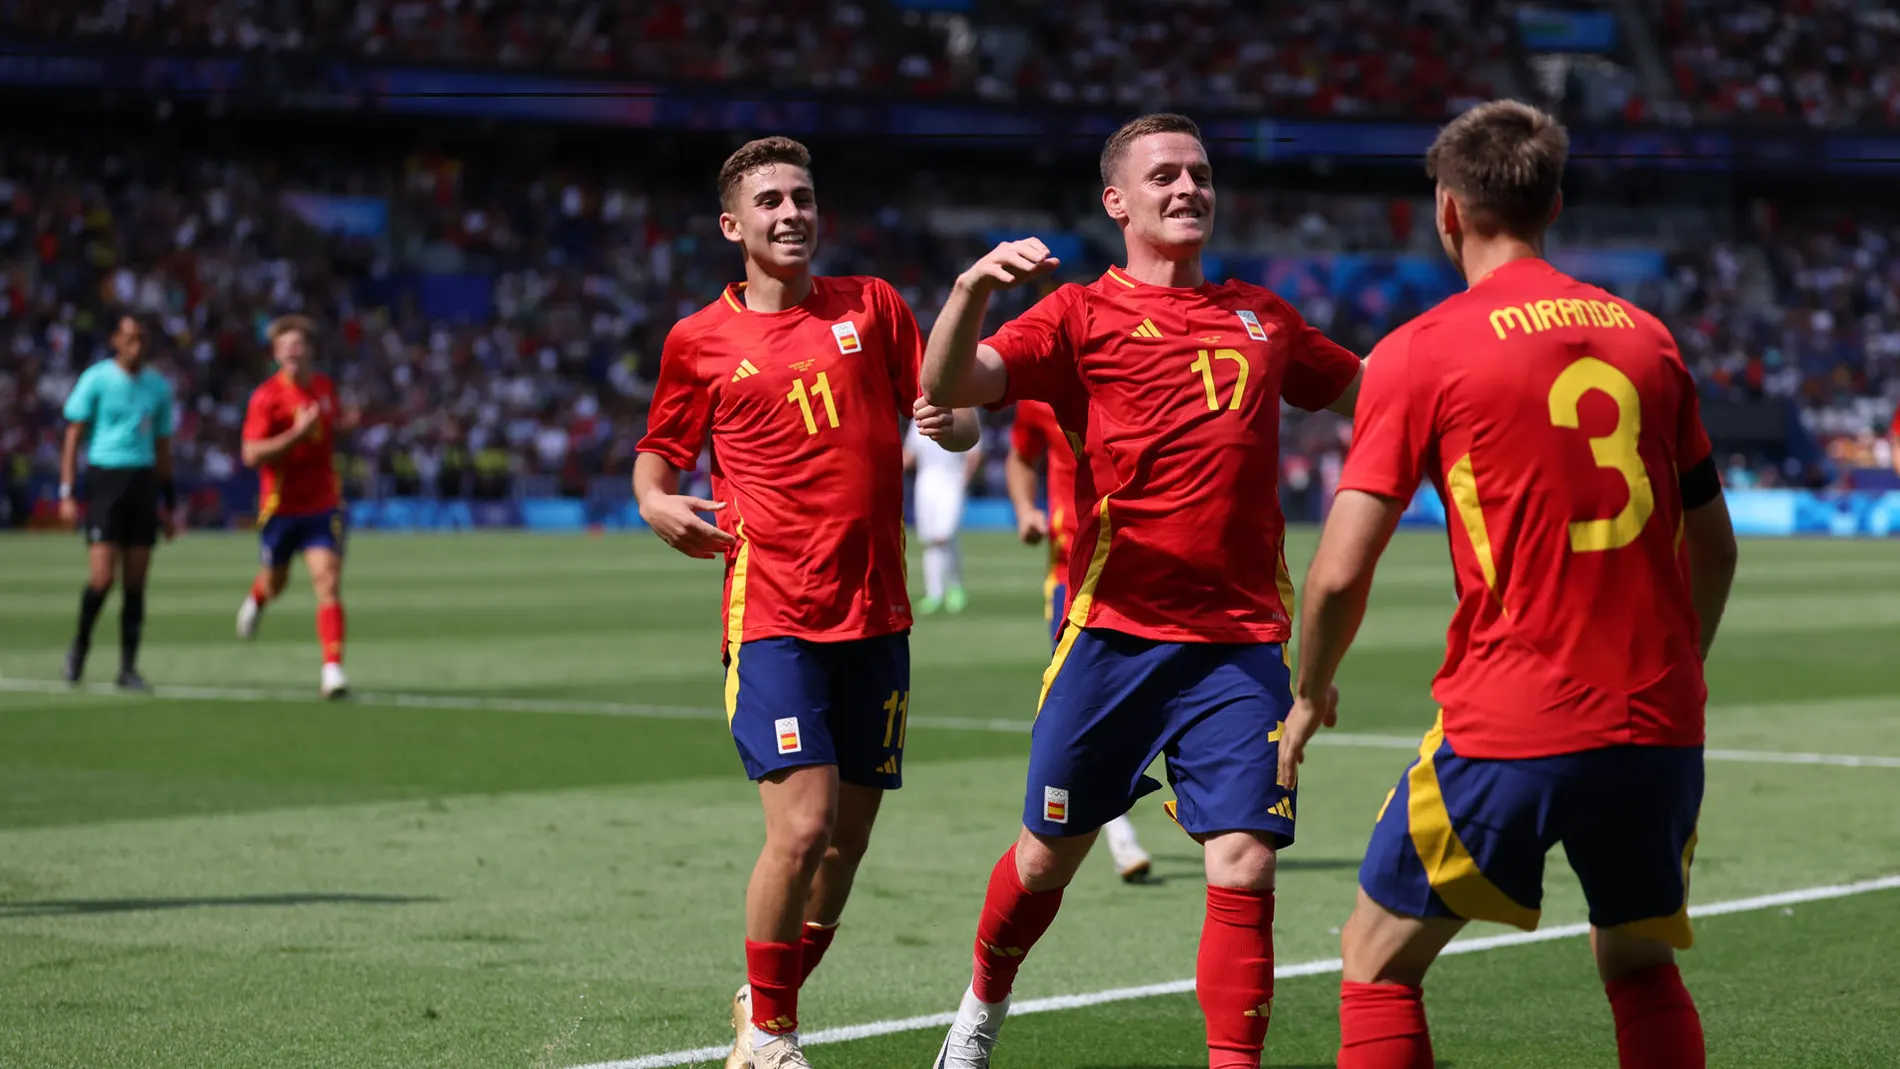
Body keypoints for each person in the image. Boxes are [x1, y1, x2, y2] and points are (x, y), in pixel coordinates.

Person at [1277, 100, 1740, 1069]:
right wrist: (1678, 670)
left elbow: (1337, 571)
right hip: (1658, 724)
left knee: (1375, 961)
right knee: (1638, 959)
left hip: (1515, 719)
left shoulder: (1421, 349)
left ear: (1446, 210)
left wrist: (1308, 691)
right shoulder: (1648, 340)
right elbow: (1715, 546)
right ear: (1554, 204)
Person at [920, 113, 1363, 1069]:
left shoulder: (1266, 316)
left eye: (1199, 173)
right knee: (1045, 858)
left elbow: (1376, 395)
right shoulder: (1077, 315)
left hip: (1240, 643)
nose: (1188, 188)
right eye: (1164, 176)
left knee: (1245, 859)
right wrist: (970, 290)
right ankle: (980, 1011)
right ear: (1117, 202)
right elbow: (950, 380)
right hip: (1113, 636)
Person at [632, 136, 979, 1069]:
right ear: (732, 225)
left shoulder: (874, 305)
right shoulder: (698, 340)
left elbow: (952, 413)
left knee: (844, 848)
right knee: (803, 826)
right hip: (774, 610)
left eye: (803, 197)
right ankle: (775, 1036)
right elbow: (656, 459)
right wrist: (656, 503)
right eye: (771, 201)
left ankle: (760, 1002)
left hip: (879, 612)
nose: (791, 213)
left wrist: (953, 421)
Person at [1004, 399, 1151, 883]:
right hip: (1075, 573)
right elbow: (1021, 455)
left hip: (1148, 565)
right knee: (1084, 703)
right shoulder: (1039, 395)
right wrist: (1025, 510)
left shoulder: (1137, 376)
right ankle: (1118, 831)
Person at [237, 315, 357, 699]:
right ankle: (258, 597)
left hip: (323, 503)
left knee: (327, 580)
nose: (292, 352)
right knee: (277, 582)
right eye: (284, 347)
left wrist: (345, 424)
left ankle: (332, 670)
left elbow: (330, 429)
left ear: (309, 351)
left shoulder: (324, 388)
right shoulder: (266, 398)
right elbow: (251, 455)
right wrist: (295, 435)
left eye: (298, 345)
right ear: (276, 354)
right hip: (280, 508)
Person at [58, 315, 177, 690]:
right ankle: (80, 646)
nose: (136, 346)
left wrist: (169, 503)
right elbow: (73, 436)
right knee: (102, 577)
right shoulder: (96, 379)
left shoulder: (158, 387)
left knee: (136, 582)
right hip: (106, 480)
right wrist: (67, 490)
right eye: (129, 338)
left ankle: (127, 668)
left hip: (142, 482)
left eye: (141, 339)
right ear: (115, 340)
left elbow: (162, 447)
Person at [904, 415, 982, 614]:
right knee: (930, 540)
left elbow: (974, 452)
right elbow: (909, 455)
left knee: (944, 535)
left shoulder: (960, 413)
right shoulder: (917, 420)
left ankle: (954, 588)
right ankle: (935, 593)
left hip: (951, 483)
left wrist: (964, 479)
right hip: (925, 485)